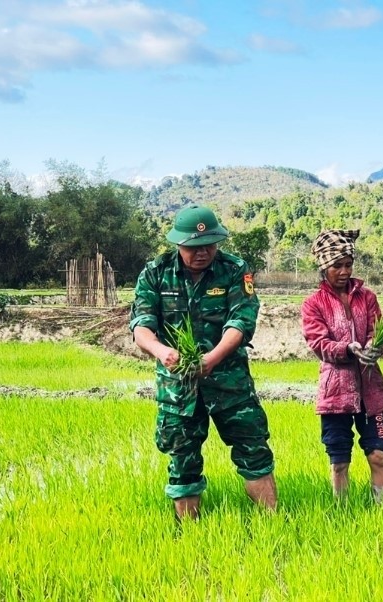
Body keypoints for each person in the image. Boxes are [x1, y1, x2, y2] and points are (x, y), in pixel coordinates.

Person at [129, 204, 277, 520]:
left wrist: (213, 358)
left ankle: (271, 521)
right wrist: (160, 351)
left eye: (209, 244)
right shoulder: (155, 273)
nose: (202, 252)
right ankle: (190, 533)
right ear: (178, 244)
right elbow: (141, 326)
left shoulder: (235, 270)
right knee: (183, 460)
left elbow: (241, 320)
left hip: (229, 383)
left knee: (255, 451)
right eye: (194, 247)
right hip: (178, 389)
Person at [301, 229, 383, 503]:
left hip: (371, 390)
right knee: (339, 461)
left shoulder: (367, 297)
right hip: (335, 393)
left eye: (348, 265)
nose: (343, 271)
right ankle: (342, 510)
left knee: (377, 455)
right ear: (323, 267)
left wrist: (375, 346)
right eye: (336, 266)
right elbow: (319, 343)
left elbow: (378, 331)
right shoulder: (313, 304)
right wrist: (347, 348)